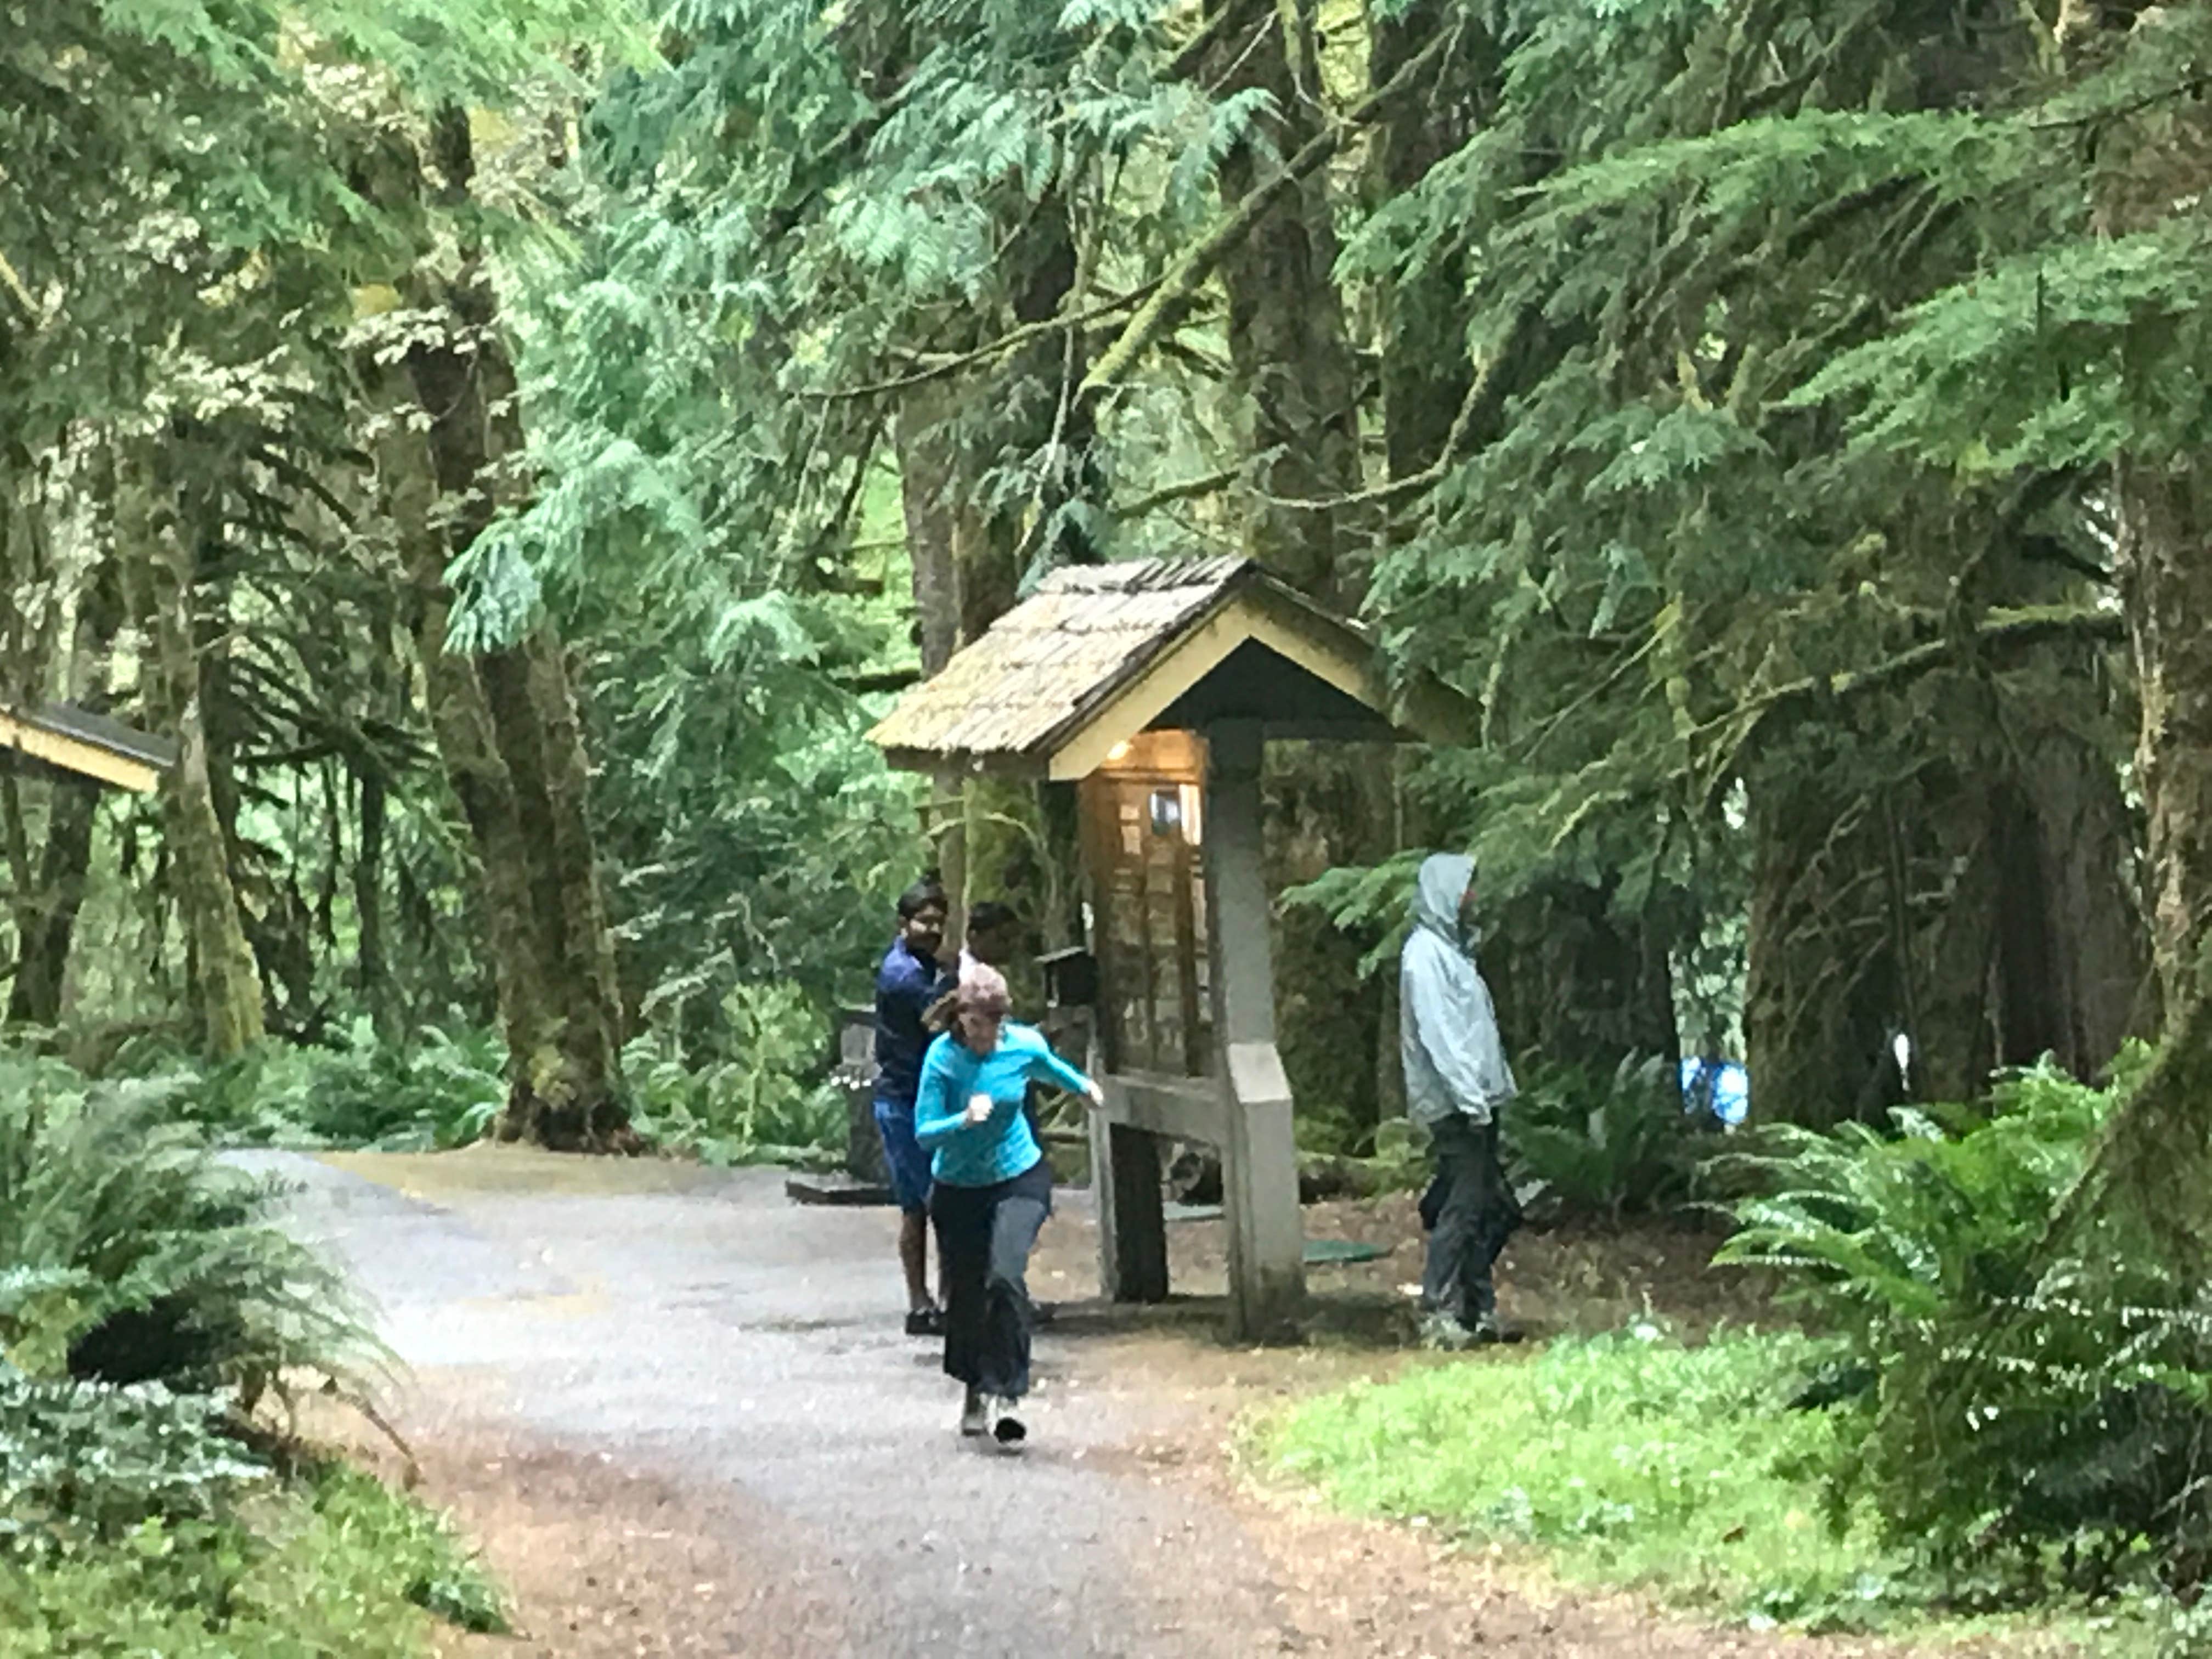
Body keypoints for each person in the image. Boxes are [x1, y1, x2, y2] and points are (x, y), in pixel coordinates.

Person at [914, 962, 1103, 1448]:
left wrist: (1084, 1088)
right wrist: (962, 1119)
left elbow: (1053, 1069)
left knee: (1005, 1273)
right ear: (962, 1017)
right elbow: (924, 1132)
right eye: (980, 1023)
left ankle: (1009, 1392)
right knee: (968, 1292)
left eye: (997, 1023)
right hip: (958, 1187)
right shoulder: (942, 1060)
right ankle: (975, 1387)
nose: (989, 1033)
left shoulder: (1021, 1045)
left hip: (1019, 1175)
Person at [1400, 853, 1521, 1350]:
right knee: (1465, 1206)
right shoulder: (1425, 957)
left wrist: (1492, 1093)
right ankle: (1439, 1309)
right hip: (1456, 1106)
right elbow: (1442, 1036)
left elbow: (1476, 1032)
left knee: (1491, 1206)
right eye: (1466, 888)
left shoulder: (1452, 954)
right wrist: (1471, 1102)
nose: (1474, 898)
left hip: (1476, 1101)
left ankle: (1476, 1308)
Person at [874, 879, 950, 1335]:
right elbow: (936, 1017)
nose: (933, 930)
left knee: (935, 1202)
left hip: (924, 1098)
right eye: (924, 921)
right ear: (904, 925)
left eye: (939, 922)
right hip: (903, 1100)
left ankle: (943, 1298)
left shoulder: (924, 966)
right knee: (920, 1204)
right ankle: (922, 1302)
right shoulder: (902, 975)